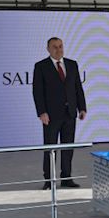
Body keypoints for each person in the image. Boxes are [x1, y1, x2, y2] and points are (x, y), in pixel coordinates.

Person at [32, 37, 86, 189]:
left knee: (68, 148)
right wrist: (42, 112)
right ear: (48, 49)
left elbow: (78, 88)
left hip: (70, 113)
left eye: (60, 46)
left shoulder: (72, 64)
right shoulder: (41, 66)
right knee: (50, 148)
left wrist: (82, 108)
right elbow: (37, 92)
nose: (58, 49)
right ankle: (49, 180)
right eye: (55, 47)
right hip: (51, 116)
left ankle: (66, 178)